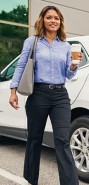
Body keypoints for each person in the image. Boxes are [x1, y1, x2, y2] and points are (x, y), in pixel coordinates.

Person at [9, 6, 81, 185]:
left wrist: (73, 65)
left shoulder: (65, 45)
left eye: (56, 18)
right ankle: (31, 180)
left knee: (62, 140)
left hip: (60, 96)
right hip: (38, 94)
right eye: (49, 17)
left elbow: (69, 74)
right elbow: (21, 66)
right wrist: (13, 91)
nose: (53, 21)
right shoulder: (32, 42)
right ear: (42, 19)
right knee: (34, 138)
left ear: (60, 22)